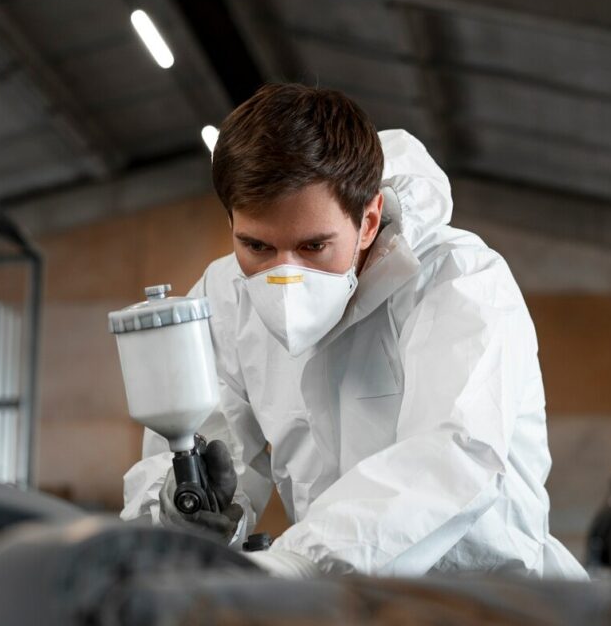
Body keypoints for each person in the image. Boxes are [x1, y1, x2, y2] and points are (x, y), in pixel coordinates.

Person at [121, 82, 585, 587]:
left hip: (491, 609)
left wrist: (301, 562)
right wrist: (178, 511)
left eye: (314, 246)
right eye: (256, 245)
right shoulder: (226, 294)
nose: (283, 278)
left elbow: (453, 455)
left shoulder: (461, 281)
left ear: (368, 221)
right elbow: (206, 448)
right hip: (345, 609)